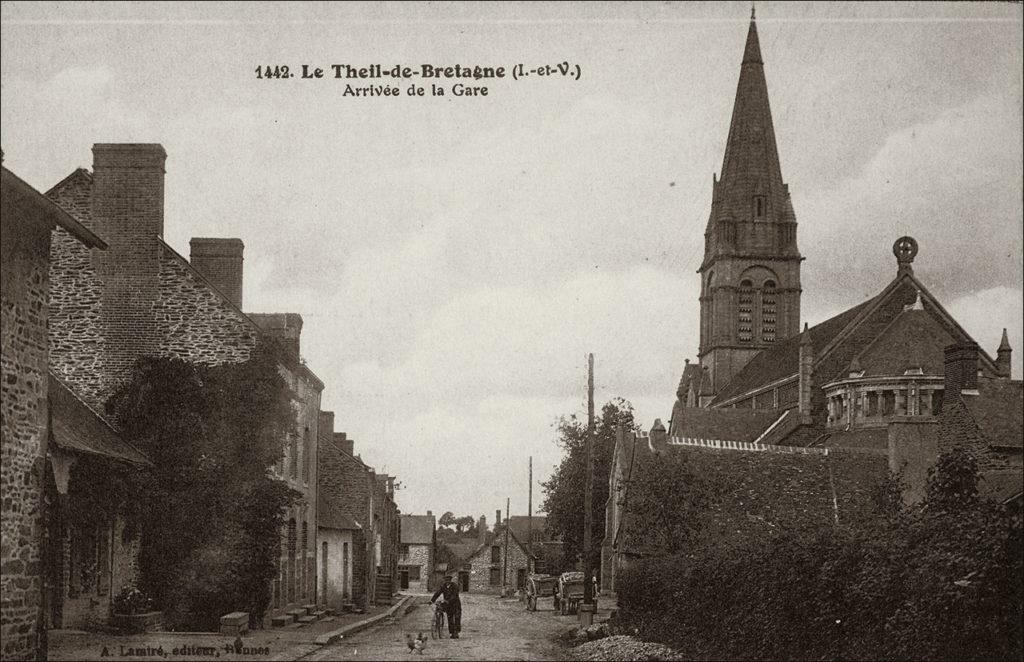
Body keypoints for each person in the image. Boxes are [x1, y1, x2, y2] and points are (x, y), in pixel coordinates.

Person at [430, 573, 461, 638]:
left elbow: (455, 595)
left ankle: (456, 632)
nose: (447, 582)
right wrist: (432, 600)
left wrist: (448, 600)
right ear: (445, 581)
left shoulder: (455, 586)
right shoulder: (443, 586)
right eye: (446, 580)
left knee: (457, 618)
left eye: (448, 580)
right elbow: (438, 593)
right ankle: (452, 633)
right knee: (450, 618)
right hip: (448, 605)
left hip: (456, 604)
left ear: (450, 580)